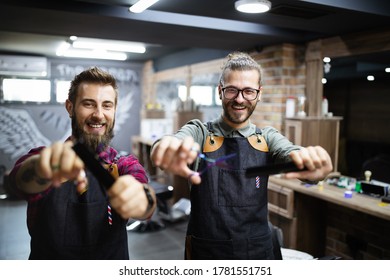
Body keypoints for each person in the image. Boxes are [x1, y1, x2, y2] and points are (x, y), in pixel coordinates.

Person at [150, 52, 333, 260]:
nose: (239, 99)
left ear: (259, 93)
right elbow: (175, 140)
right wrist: (165, 146)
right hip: (207, 250)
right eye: (232, 90)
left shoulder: (267, 138)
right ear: (220, 91)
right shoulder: (200, 132)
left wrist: (311, 163)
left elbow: (292, 153)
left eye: (248, 91)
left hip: (257, 251)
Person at [9, 67, 156, 260]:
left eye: (107, 105)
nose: (99, 114)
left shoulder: (123, 164)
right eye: (89, 104)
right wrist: (43, 169)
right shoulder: (41, 157)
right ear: (70, 107)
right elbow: (17, 182)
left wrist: (142, 200)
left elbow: (144, 199)